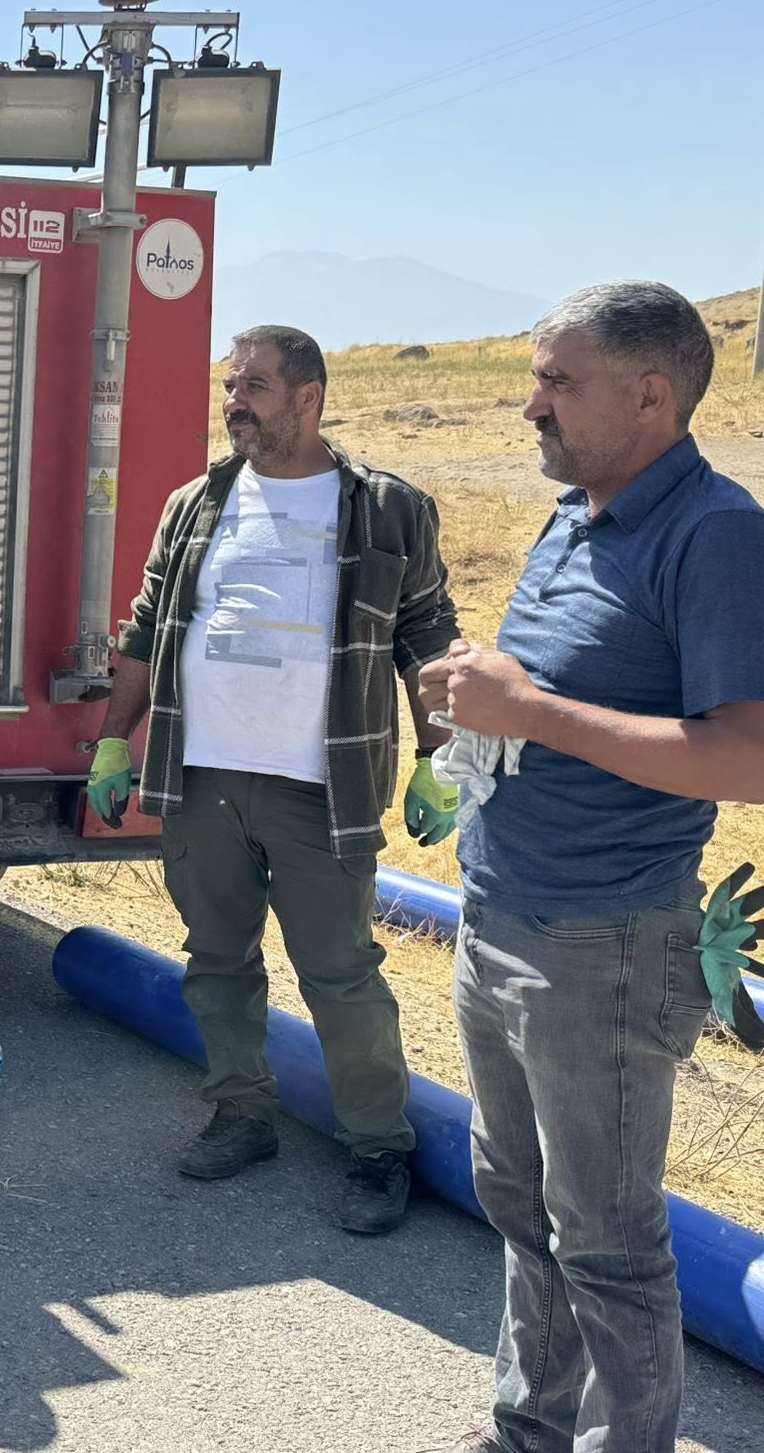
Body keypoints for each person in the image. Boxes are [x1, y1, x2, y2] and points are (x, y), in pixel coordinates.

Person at [420, 282, 764, 1453]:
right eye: (536, 379)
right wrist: (475, 700)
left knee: (605, 1239)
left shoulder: (714, 535)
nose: (531, 405)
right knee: (518, 1203)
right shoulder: (576, 510)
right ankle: (526, 1430)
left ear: (650, 397)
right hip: (498, 906)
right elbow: (558, 690)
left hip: (602, 944)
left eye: (557, 383)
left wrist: (531, 711)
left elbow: (743, 758)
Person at [89, 324, 460, 1234]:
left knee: (340, 974)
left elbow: (429, 636)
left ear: (309, 398)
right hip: (202, 776)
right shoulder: (197, 503)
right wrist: (112, 742)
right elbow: (145, 627)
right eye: (230, 386)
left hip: (320, 787)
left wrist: (440, 758)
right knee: (218, 961)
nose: (234, 403)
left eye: (253, 386)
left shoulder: (387, 508)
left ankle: (378, 1148)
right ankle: (243, 1112)